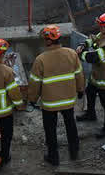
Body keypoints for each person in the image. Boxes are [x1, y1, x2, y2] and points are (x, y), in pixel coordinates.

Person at [27, 24, 85, 166]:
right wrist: (80, 90)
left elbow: (34, 83)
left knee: (50, 129)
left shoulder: (41, 59)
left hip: (50, 103)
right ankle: (74, 150)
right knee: (70, 124)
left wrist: (32, 99)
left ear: (48, 41)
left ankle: (53, 157)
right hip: (68, 100)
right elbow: (79, 75)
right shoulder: (72, 54)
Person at [78, 12, 105, 137]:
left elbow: (94, 57)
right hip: (99, 74)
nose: (99, 28)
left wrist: (80, 54)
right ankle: (91, 114)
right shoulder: (104, 34)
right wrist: (84, 44)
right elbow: (93, 38)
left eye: (101, 25)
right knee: (90, 92)